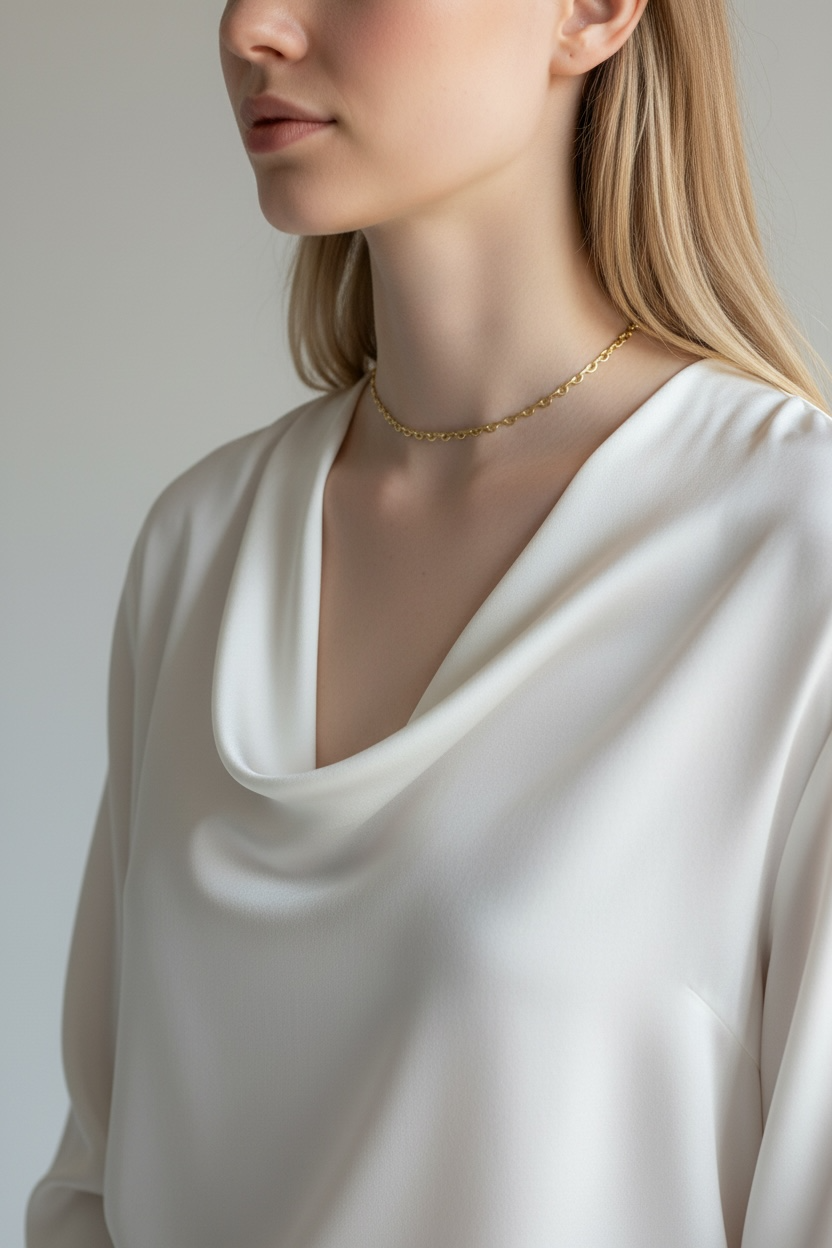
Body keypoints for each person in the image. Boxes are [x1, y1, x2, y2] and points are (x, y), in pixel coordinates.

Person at [25, 0, 832, 1244]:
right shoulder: (201, 546)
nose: (250, 27)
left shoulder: (791, 551)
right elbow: (98, 1183)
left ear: (592, 13)